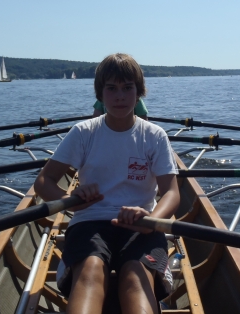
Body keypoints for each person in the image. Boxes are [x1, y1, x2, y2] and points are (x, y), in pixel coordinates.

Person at [34, 53, 180, 314]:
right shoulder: (83, 132)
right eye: (111, 89)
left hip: (142, 225)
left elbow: (171, 193)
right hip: (89, 223)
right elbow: (43, 183)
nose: (120, 96)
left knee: (135, 275)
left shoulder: (155, 136)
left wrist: (152, 220)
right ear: (100, 95)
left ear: (139, 92)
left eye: (127, 88)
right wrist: (74, 202)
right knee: (90, 270)